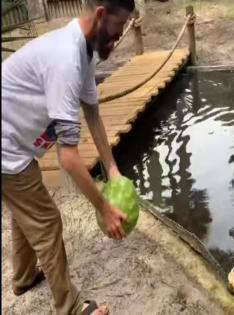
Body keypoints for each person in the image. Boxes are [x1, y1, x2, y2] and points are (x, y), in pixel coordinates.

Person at [1, 0, 135, 314]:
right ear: (101, 15)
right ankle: (72, 307)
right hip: (6, 149)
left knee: (29, 210)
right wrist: (104, 208)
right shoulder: (65, 60)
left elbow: (92, 110)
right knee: (47, 222)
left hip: (15, 145)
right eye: (118, 28)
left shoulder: (83, 52)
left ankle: (22, 278)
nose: (119, 37)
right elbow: (70, 159)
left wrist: (112, 168)